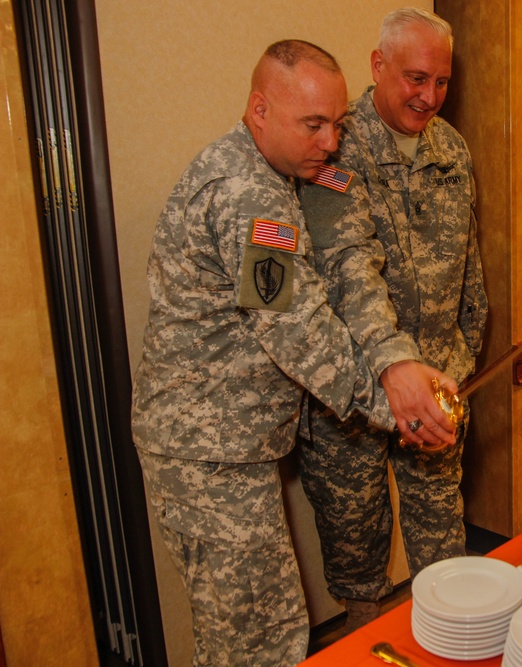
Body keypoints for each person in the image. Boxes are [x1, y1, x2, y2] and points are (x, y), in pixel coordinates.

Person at [131, 40, 454, 665]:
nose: (331, 142)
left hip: (230, 446)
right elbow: (295, 328)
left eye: (337, 124)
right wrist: (396, 404)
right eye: (313, 124)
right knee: (256, 642)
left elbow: (345, 264)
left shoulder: (281, 177)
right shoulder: (248, 197)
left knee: (259, 631)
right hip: (207, 454)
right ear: (259, 111)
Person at [297, 8, 487, 630]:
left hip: (436, 386)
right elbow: (348, 266)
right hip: (355, 396)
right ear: (377, 66)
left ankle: (451, 638)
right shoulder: (334, 148)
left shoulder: (452, 150)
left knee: (443, 542)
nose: (428, 96)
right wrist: (392, 366)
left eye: (440, 81)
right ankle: (365, 638)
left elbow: (469, 268)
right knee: (356, 553)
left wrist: (462, 356)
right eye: (414, 78)